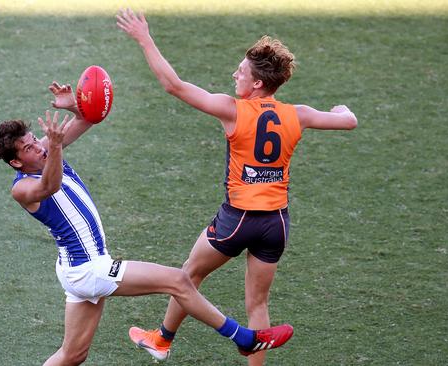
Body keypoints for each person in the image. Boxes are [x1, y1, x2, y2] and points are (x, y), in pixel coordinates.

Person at [0, 81, 295, 366]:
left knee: (73, 355)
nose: (39, 147)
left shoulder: (44, 153)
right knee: (178, 280)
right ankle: (244, 339)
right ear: (16, 162)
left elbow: (89, 119)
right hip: (86, 270)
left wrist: (72, 107)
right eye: (29, 148)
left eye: (35, 141)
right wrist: (55, 147)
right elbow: (49, 186)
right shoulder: (23, 187)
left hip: (82, 267)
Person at [117, 9, 358, 365]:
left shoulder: (232, 110)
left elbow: (174, 85)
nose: (235, 75)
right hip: (277, 223)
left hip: (238, 218)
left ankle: (162, 340)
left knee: (188, 275)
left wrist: (144, 38)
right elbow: (348, 120)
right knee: (257, 304)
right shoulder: (299, 114)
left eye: (241, 71)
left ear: (257, 83)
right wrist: (341, 107)